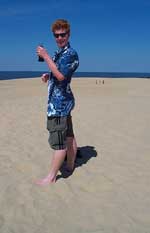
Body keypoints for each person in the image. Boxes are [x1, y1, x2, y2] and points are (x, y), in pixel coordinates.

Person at [36, 19, 79, 185]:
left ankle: (52, 177)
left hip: (59, 106)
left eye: (63, 34)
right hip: (62, 102)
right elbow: (57, 74)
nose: (60, 38)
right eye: (56, 35)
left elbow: (62, 76)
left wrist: (46, 56)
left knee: (59, 142)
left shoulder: (71, 54)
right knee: (69, 136)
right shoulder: (59, 53)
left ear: (68, 34)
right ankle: (70, 165)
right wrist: (48, 76)